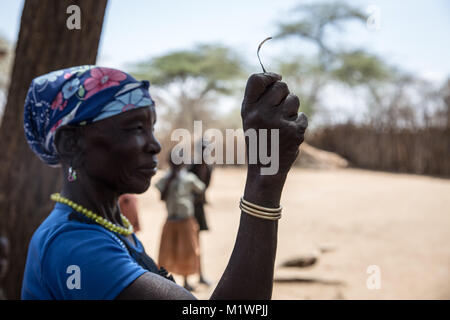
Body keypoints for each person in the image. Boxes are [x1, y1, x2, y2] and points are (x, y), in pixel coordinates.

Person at [21, 65, 307, 299]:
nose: (155, 145)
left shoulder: (105, 226)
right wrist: (264, 182)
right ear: (71, 143)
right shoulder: (75, 247)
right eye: (135, 128)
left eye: (151, 127)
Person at [155, 154, 205, 291]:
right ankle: (165, 281)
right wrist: (170, 181)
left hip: (186, 219)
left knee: (187, 251)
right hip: (171, 219)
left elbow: (201, 189)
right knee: (166, 251)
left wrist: (192, 201)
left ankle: (186, 281)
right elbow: (161, 196)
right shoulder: (165, 179)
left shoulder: (189, 178)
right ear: (169, 162)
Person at [188, 140, 213, 286]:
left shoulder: (209, 168)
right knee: (188, 242)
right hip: (189, 209)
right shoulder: (191, 167)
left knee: (197, 243)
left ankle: (200, 275)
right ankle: (186, 278)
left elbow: (204, 188)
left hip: (199, 209)